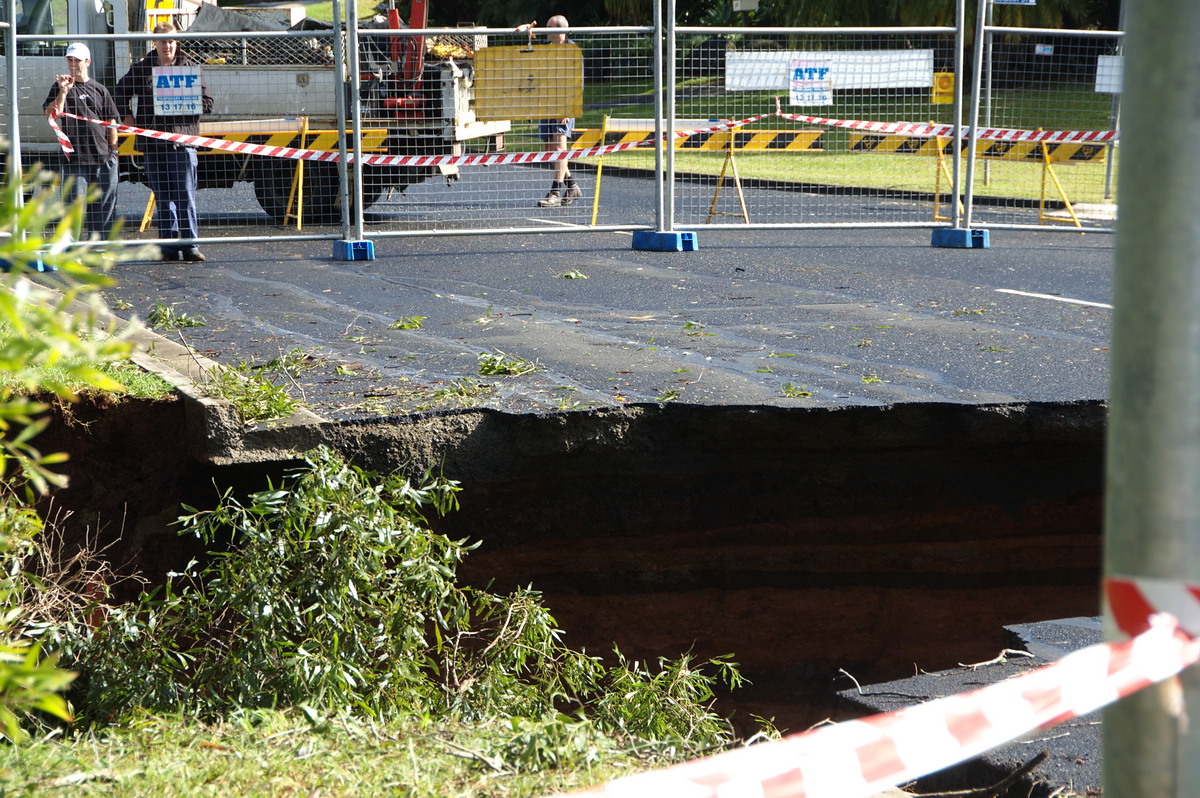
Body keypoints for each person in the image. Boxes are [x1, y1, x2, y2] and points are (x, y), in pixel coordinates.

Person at [115, 22, 214, 262]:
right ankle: (168, 247)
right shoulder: (141, 69)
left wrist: (184, 102)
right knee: (163, 196)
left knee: (185, 195)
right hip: (152, 143)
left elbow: (209, 103)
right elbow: (119, 91)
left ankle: (190, 246)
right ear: (154, 43)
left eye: (170, 41)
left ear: (176, 42)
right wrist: (127, 116)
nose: (167, 46)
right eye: (162, 41)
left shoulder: (190, 68)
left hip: (183, 142)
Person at [43, 42, 120, 239]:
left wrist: (114, 153)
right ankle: (71, 251)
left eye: (77, 60)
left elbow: (111, 122)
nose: (73, 65)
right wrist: (63, 91)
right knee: (73, 209)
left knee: (102, 209)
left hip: (102, 157)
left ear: (88, 62)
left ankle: (98, 248)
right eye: (70, 60)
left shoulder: (100, 89)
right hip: (74, 159)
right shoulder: (60, 88)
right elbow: (52, 114)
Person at [535, 15, 582, 208]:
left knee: (559, 149)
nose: (545, 31)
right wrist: (528, 33)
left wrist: (567, 108)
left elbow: (577, 84)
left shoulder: (572, 52)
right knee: (549, 150)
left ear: (560, 31)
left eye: (549, 28)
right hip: (546, 104)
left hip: (563, 105)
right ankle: (572, 186)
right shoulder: (547, 48)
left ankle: (555, 191)